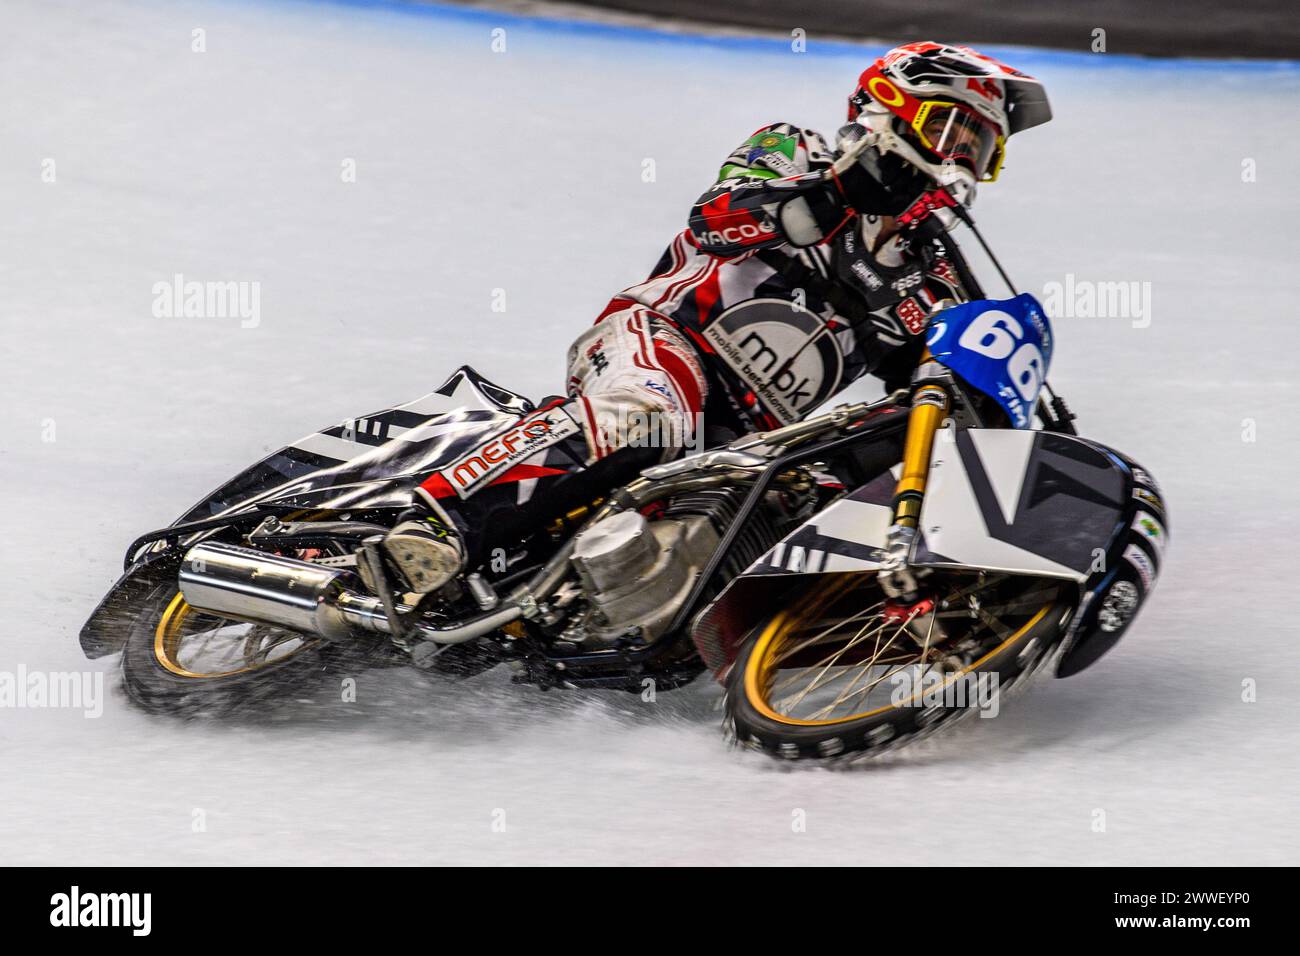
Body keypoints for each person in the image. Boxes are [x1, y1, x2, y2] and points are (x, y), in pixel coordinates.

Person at [364, 41, 1053, 600]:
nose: (960, 159)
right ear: (890, 108)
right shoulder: (798, 150)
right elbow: (718, 219)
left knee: (791, 506)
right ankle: (435, 529)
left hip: (751, 436)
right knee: (651, 414)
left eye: (981, 148)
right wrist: (840, 191)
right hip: (662, 342)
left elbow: (929, 392)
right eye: (950, 131)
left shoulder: (932, 279)